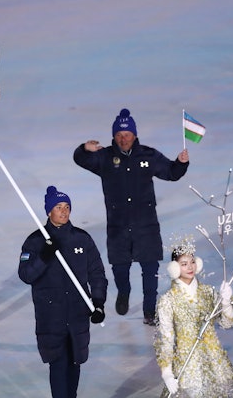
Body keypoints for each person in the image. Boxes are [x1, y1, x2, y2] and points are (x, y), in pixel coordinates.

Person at [73, 108, 189, 325]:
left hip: (146, 227)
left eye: (127, 135)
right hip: (118, 228)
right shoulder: (105, 157)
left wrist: (181, 163)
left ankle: (149, 311)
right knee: (120, 269)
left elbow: (172, 173)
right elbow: (80, 160)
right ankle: (124, 292)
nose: (123, 139)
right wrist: (84, 149)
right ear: (114, 137)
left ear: (134, 135)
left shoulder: (148, 155)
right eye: (119, 135)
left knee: (150, 271)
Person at [19, 185, 108, 398]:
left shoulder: (82, 239)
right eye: (58, 207)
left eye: (67, 206)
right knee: (58, 365)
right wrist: (44, 257)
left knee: (75, 363)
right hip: (51, 316)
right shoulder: (34, 241)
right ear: (49, 211)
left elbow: (97, 272)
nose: (64, 211)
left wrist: (98, 302)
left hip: (77, 313)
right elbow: (26, 275)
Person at [153, 238, 233, 397]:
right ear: (174, 268)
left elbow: (226, 323)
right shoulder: (168, 300)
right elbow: (165, 338)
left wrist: (226, 301)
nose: (190, 267)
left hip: (214, 360)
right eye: (184, 263)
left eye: (192, 262)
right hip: (188, 364)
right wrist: (166, 373)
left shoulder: (208, 292)